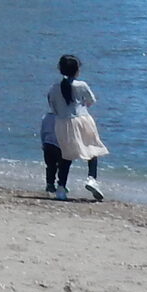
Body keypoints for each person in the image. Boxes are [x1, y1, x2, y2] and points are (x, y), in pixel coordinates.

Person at [41, 55, 108, 200]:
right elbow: (91, 101)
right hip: (82, 120)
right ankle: (91, 179)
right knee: (92, 150)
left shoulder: (54, 88)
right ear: (77, 70)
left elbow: (53, 107)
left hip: (62, 123)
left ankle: (61, 188)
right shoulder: (81, 85)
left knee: (66, 155)